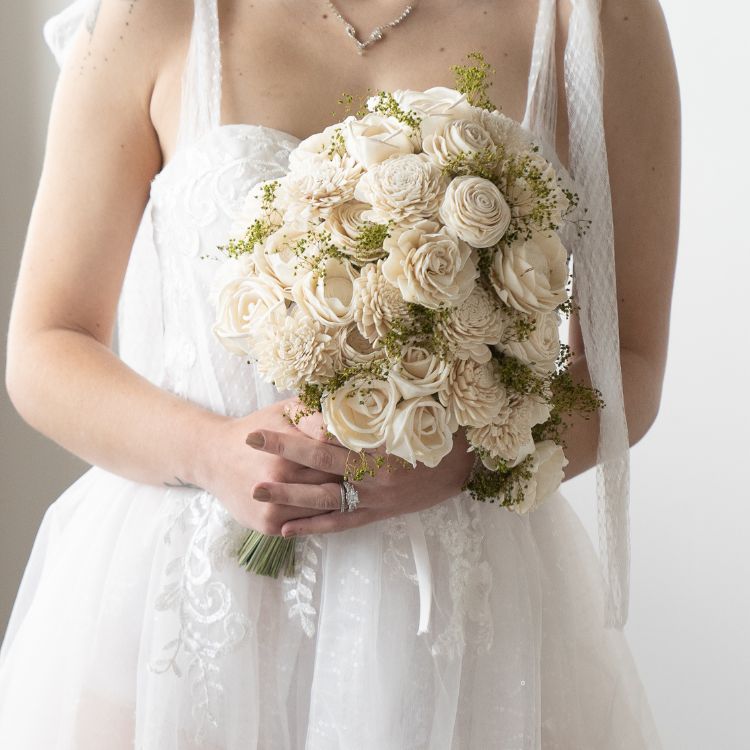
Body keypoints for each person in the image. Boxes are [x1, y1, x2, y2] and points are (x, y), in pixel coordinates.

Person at [0, 0, 678, 747]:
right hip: (185, 606)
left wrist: (466, 462)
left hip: (454, 610)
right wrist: (211, 453)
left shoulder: (592, 19)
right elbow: (46, 345)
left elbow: (629, 366)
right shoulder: (152, 16)